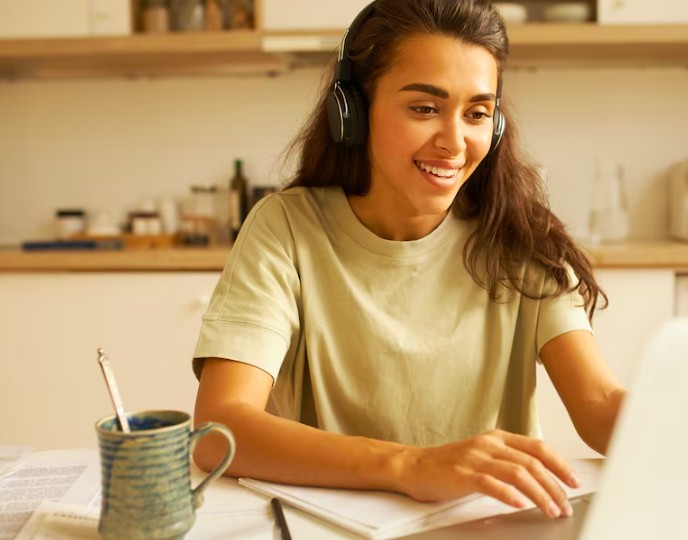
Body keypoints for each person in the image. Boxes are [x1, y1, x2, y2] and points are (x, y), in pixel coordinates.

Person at [192, 0, 625, 520]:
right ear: (351, 111)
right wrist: (409, 466)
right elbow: (219, 430)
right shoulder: (287, 229)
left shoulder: (518, 238)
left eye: (477, 113)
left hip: (486, 528)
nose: (454, 142)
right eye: (424, 108)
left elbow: (599, 405)